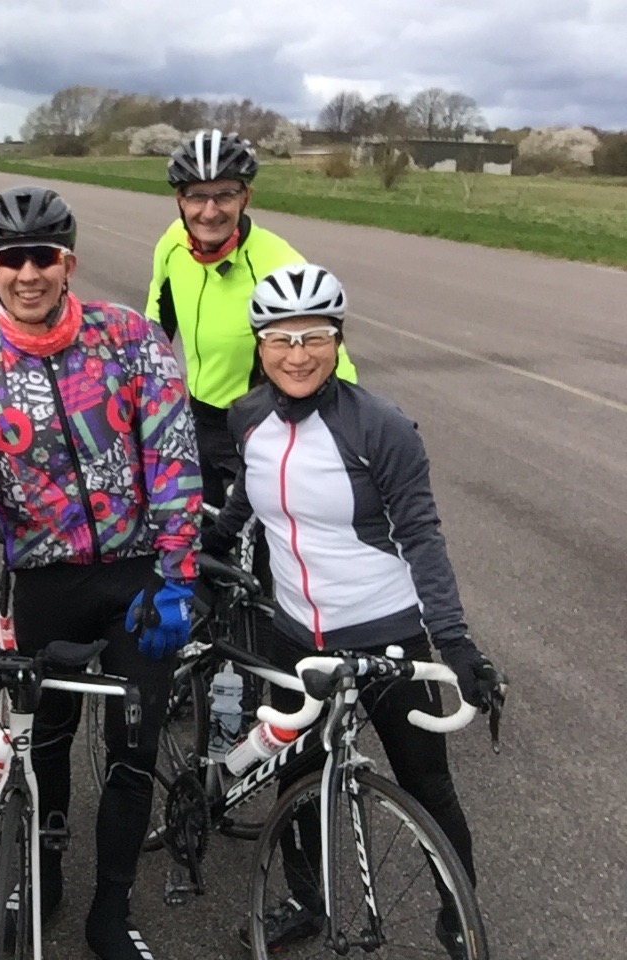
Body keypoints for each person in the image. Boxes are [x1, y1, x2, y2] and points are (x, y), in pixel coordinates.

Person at [0, 186, 204, 960]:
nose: (29, 274)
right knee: (43, 746)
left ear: (67, 262)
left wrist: (177, 576)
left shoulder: (131, 340)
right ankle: (41, 878)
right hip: (44, 583)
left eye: (42, 257)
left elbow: (173, 460)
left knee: (133, 749)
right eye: (11, 260)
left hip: (138, 580)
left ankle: (111, 910)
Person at [202, 264, 506, 957]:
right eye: (281, 339)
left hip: (385, 635)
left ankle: (457, 914)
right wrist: (213, 547)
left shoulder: (380, 427)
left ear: (338, 341)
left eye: (315, 336)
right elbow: (249, 493)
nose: (298, 354)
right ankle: (306, 902)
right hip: (294, 638)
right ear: (259, 344)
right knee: (296, 778)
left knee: (426, 782)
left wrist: (454, 641)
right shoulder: (248, 417)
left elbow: (421, 534)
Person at [145, 129, 358, 509]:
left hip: (259, 428)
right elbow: (155, 327)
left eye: (225, 194)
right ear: (179, 199)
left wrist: (350, 437)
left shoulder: (279, 266)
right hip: (195, 420)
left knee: (254, 537)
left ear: (246, 197)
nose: (210, 212)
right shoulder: (173, 243)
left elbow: (327, 356)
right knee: (196, 532)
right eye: (197, 195)